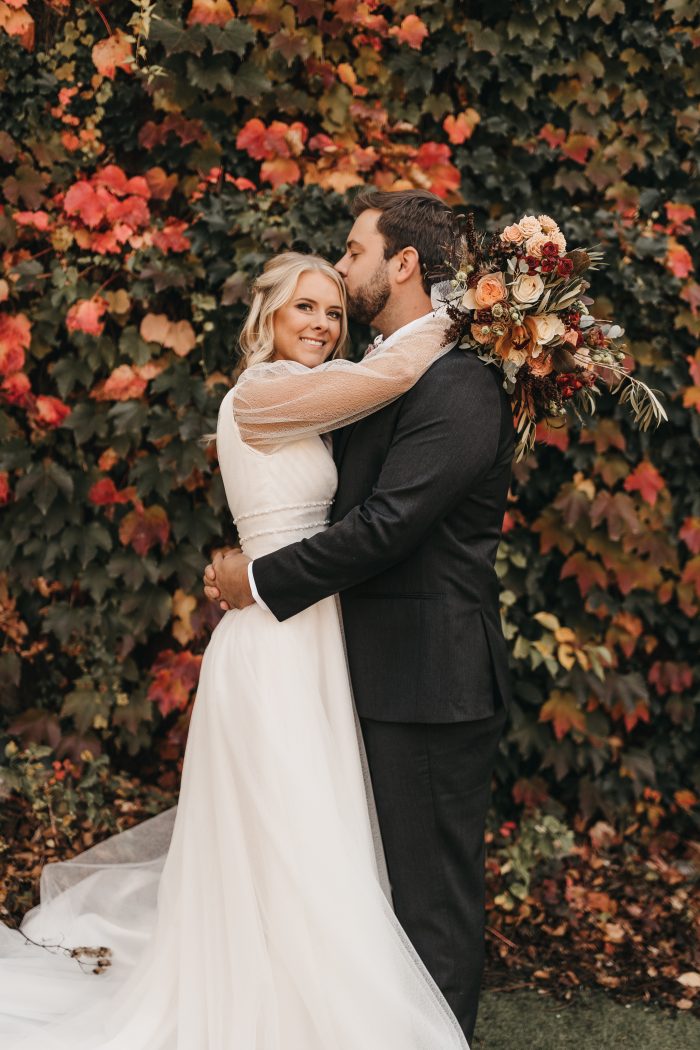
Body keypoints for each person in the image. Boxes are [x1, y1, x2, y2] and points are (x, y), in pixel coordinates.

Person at [0, 249, 469, 1049]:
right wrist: (464, 316)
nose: (323, 324)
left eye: (333, 311)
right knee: (292, 835)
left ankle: (304, 999)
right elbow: (390, 381)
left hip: (310, 626)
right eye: (305, 309)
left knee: (315, 832)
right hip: (275, 643)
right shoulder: (263, 392)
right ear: (268, 316)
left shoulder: (306, 394)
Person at [204, 188, 515, 1043]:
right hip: (360, 666)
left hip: (430, 676)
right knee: (367, 891)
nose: (341, 269)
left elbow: (386, 526)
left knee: (431, 903)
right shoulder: (375, 373)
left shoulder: (459, 379)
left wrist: (259, 579)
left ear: (405, 262)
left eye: (352, 253)